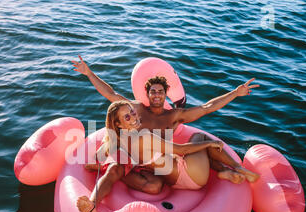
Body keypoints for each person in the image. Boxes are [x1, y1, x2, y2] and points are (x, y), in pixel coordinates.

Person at [72, 55, 260, 190]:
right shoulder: (135, 109)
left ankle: (229, 170)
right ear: (147, 94)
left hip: (163, 164)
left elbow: (207, 107)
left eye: (160, 91)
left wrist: (235, 93)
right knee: (201, 140)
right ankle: (233, 168)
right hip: (154, 164)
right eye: (153, 91)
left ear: (166, 94)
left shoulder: (174, 116)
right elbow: (110, 94)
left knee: (198, 139)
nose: (156, 95)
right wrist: (89, 73)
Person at [77, 100, 225, 212]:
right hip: (178, 171)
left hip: (154, 171)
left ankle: (93, 200)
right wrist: (209, 143)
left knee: (154, 185)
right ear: (118, 124)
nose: (134, 117)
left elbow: (96, 158)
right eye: (127, 117)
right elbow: (182, 150)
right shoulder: (133, 139)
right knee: (114, 169)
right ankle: (92, 204)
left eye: (132, 112)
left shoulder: (124, 139)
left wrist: (98, 163)